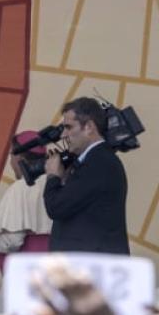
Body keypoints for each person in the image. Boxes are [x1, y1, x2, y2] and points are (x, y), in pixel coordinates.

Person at [45, 97, 129, 254]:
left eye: (69, 127)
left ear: (89, 127)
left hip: (94, 263)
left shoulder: (98, 163)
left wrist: (53, 176)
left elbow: (56, 207)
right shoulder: (96, 160)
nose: (63, 135)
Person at [0, 130, 52, 273]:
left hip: (27, 270)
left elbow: (12, 241)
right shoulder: (58, 182)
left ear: (19, 157)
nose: (10, 162)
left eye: (11, 155)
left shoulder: (20, 188)